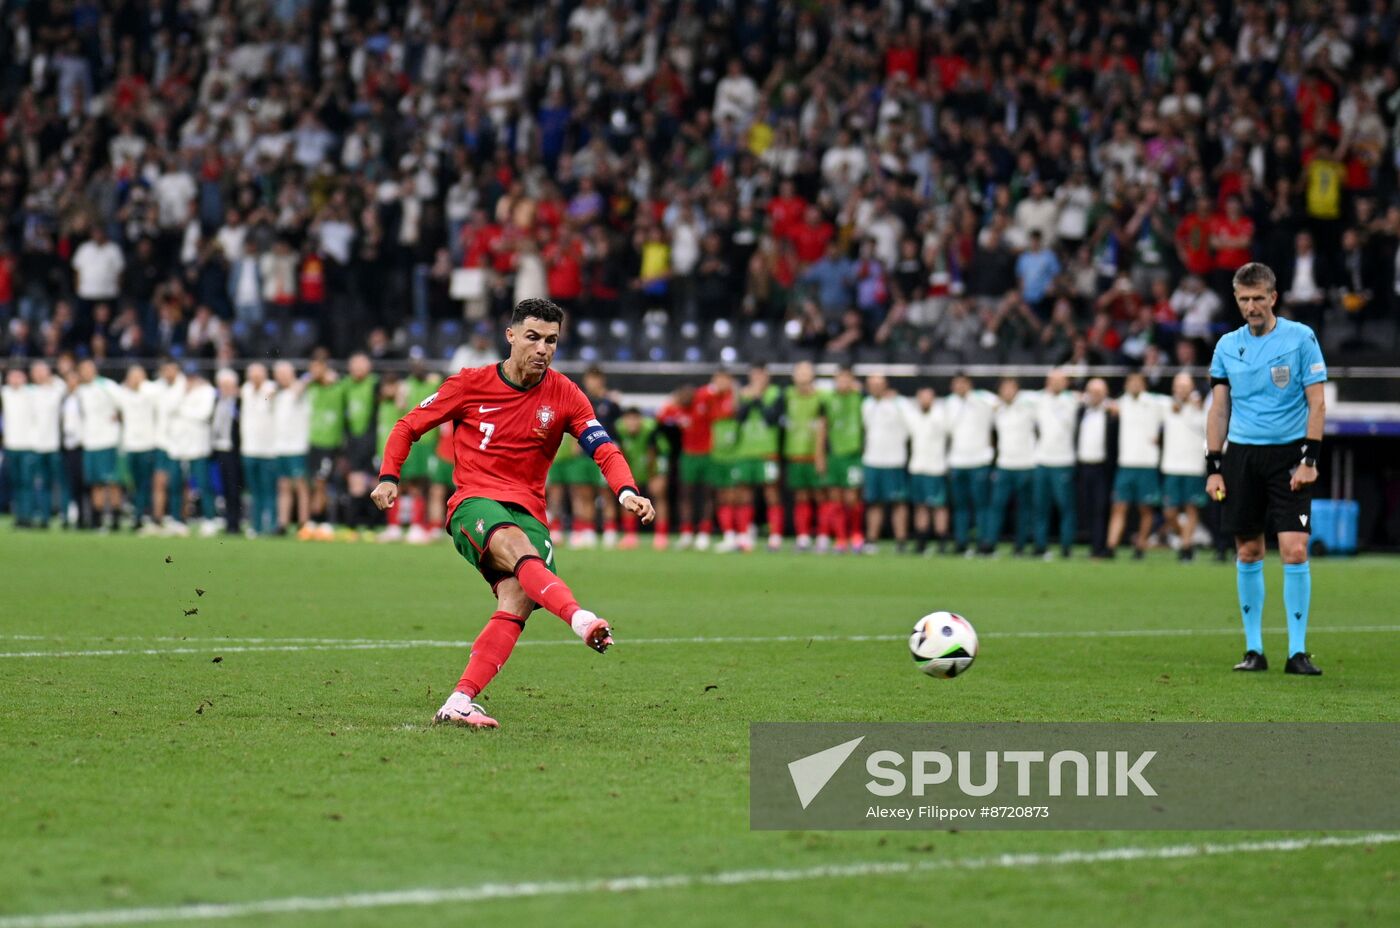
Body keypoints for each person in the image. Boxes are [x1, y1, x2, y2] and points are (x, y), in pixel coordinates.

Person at [370, 298, 654, 729]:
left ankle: (459, 700)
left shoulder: (565, 394)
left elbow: (604, 447)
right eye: (534, 337)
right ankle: (580, 619)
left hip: (530, 511)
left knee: (517, 600)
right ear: (511, 336)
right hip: (474, 503)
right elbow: (407, 426)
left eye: (552, 341)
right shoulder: (469, 383)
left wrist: (627, 490)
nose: (543, 348)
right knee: (517, 548)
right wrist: (390, 475)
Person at [1207, 262, 1327, 676]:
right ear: (1237, 300)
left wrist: (1310, 460)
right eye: (1245, 299)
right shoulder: (1226, 345)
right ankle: (1254, 650)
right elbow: (1219, 408)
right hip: (1242, 456)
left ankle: (1298, 652)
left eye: (1259, 298)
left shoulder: (1300, 338)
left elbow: (1317, 402)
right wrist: (1214, 466)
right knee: (1248, 550)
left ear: (1273, 297)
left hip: (1290, 456)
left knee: (1294, 550)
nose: (1252, 306)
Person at [1106, 372, 1169, 559]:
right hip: (1126, 464)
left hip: (1147, 463)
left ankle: (1140, 546)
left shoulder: (1155, 403)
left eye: (1137, 382)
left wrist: (1161, 437)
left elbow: (1176, 406)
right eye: (1130, 382)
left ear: (1143, 385)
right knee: (1119, 506)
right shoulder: (1121, 403)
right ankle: (1110, 547)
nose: (1133, 385)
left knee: (1145, 509)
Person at [733, 364, 785, 552]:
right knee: (745, 496)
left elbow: (772, 418)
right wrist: (749, 399)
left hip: (767, 451)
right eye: (754, 375)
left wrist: (758, 398)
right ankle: (745, 535)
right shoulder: (742, 393)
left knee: (771, 494)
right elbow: (739, 417)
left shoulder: (776, 394)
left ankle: (775, 537)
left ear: (767, 377)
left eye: (761, 375)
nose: (758, 379)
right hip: (745, 452)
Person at [944, 373, 997, 555]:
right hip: (957, 461)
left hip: (979, 460)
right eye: (956, 383)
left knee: (982, 504)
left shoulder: (982, 398)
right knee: (960, 506)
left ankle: (984, 541)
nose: (959, 387)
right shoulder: (948, 403)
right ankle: (961, 542)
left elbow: (999, 404)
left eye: (963, 383)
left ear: (969, 384)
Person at [860, 373, 911, 552]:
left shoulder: (900, 404)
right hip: (872, 460)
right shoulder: (866, 404)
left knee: (898, 502)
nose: (875, 387)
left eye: (879, 383)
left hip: (894, 461)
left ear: (886, 385)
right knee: (874, 503)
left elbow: (912, 428)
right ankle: (871, 540)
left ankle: (901, 542)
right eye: (871, 384)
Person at [780, 361, 827, 553]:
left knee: (820, 496)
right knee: (801, 497)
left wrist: (820, 454)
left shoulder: (822, 397)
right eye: (799, 371)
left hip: (814, 454)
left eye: (807, 371)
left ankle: (823, 536)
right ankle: (803, 536)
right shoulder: (787, 395)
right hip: (795, 453)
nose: (803, 374)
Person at [1161, 372, 1207, 562]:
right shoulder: (1165, 406)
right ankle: (1186, 539)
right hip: (1171, 465)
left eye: (1185, 386)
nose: (1181, 390)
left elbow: (1209, 428)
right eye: (1178, 386)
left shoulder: (1201, 408)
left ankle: (1186, 547)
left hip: (1194, 466)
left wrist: (1198, 406)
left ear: (1192, 388)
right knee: (1169, 512)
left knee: (1192, 509)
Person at [1032, 369, 1078, 560]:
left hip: (1064, 460)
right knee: (1040, 507)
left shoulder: (1073, 400)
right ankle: (1040, 546)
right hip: (1042, 460)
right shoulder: (1037, 400)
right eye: (1052, 380)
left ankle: (1066, 546)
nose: (1055, 383)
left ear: (1066, 382)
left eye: (1060, 380)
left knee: (1066, 507)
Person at [75, 359, 125, 532]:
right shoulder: (80, 391)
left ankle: (115, 519)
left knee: (112, 481)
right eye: (83, 369)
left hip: (108, 441)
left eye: (89, 368)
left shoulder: (107, 385)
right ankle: (97, 520)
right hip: (90, 443)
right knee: (94, 482)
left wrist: (119, 416)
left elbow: (124, 402)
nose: (86, 372)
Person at [821, 366, 865, 553]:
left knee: (852, 498)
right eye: (840, 379)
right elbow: (822, 428)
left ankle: (856, 534)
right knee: (836, 498)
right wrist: (819, 455)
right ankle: (840, 539)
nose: (843, 383)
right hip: (835, 455)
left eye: (847, 379)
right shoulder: (828, 400)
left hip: (853, 455)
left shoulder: (860, 398)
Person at [614, 406, 672, 550]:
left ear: (640, 419)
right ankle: (630, 536)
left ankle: (661, 536)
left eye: (635, 419)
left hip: (652, 470)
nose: (632, 423)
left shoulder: (651, 430)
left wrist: (660, 475)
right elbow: (618, 451)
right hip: (631, 469)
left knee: (659, 496)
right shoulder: (618, 430)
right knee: (626, 498)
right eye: (629, 419)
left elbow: (663, 452)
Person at [902, 385, 950, 555]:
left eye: (928, 397)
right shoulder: (913, 416)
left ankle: (942, 541)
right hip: (917, 467)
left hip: (936, 468)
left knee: (939, 507)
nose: (925, 400)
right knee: (920, 506)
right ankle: (921, 541)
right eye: (922, 397)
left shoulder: (941, 416)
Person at [116, 365, 161, 531]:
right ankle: (137, 513)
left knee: (144, 483)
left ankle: (141, 515)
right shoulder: (123, 393)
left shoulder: (150, 392)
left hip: (147, 444)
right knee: (132, 483)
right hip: (130, 445)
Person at [271, 361, 312, 537]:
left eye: (285, 373)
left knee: (301, 485)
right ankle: (283, 523)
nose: (281, 377)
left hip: (297, 447)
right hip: (281, 447)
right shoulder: (278, 395)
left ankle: (304, 522)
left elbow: (304, 383)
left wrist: (294, 381)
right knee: (284, 486)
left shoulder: (299, 391)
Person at [239, 363, 279, 537]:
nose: (254, 378)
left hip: (267, 450)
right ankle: (255, 525)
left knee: (268, 490)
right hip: (249, 448)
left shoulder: (271, 388)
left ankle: (269, 525)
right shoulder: (246, 389)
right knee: (254, 491)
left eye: (258, 375)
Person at [1076, 378, 1115, 559]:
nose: (1096, 395)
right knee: (1087, 508)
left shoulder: (1112, 412)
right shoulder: (1081, 411)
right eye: (1092, 392)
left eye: (1099, 392)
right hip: (1084, 466)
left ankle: (1100, 547)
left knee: (1101, 509)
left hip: (1102, 468)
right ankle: (1092, 544)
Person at [27, 362, 66, 528]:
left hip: (54, 444)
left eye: (42, 371)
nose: (40, 375)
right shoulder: (29, 392)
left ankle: (65, 516)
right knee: (40, 483)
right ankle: (44, 517)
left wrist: (51, 379)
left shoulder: (56, 389)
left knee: (61, 482)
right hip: (36, 445)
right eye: (36, 372)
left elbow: (63, 386)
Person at [211, 369, 242, 535]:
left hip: (233, 451)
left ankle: (234, 523)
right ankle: (227, 521)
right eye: (223, 385)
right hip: (219, 449)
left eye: (229, 385)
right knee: (223, 488)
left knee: (233, 488)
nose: (226, 389)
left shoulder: (238, 402)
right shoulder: (216, 401)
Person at [2, 368, 33, 526]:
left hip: (27, 446)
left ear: (24, 378)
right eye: (11, 376)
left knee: (26, 483)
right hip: (10, 446)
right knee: (15, 483)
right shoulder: (5, 393)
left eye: (18, 376)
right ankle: (19, 516)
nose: (15, 380)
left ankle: (27, 516)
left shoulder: (32, 394)